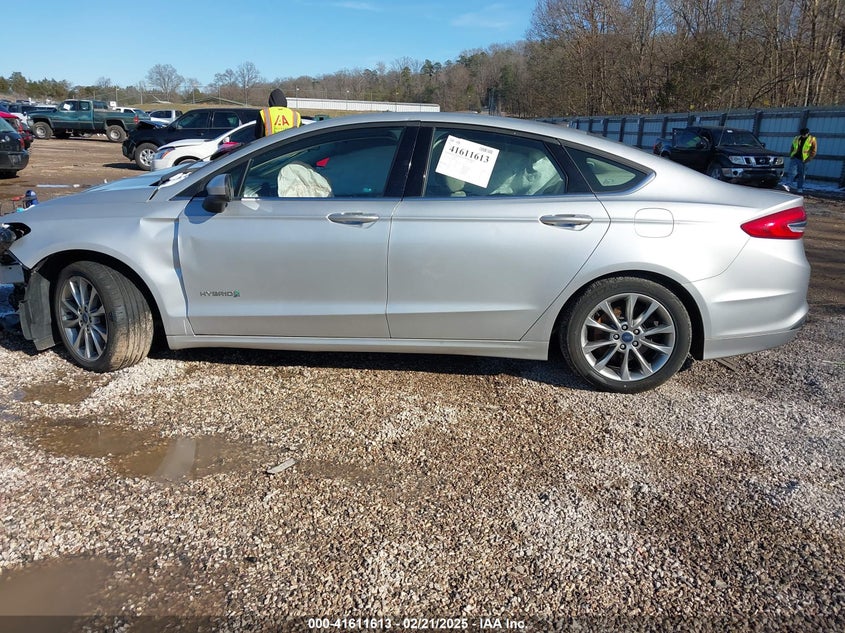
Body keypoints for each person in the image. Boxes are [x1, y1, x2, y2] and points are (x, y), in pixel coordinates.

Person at [787, 127, 817, 193]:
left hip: (804, 159)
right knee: (791, 172)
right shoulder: (796, 138)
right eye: (802, 134)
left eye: (804, 134)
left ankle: (799, 188)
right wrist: (791, 155)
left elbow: (814, 150)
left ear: (808, 133)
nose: (803, 135)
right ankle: (789, 185)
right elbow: (792, 147)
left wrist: (809, 159)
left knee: (802, 174)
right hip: (795, 157)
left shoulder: (812, 139)